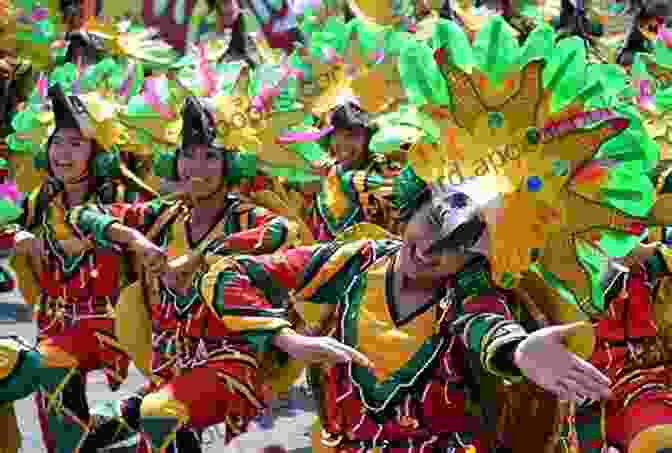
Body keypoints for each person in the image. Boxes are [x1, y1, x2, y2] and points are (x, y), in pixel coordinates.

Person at [68, 94, 307, 451]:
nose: (197, 166)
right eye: (188, 154)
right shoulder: (164, 216)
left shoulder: (244, 218)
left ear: (230, 163)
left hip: (230, 368)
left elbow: (283, 231)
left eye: (210, 156)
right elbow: (82, 216)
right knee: (96, 428)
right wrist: (136, 240)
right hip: (171, 372)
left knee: (159, 413)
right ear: (174, 160)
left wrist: (197, 259)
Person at [0, 82, 159, 453]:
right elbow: (5, 224)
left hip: (108, 324)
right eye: (57, 142)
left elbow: (102, 226)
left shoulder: (119, 197)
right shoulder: (43, 197)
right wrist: (17, 238)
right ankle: (117, 421)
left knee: (49, 363)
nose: (63, 153)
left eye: (75, 143)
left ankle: (121, 419)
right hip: (55, 323)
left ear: (97, 152)